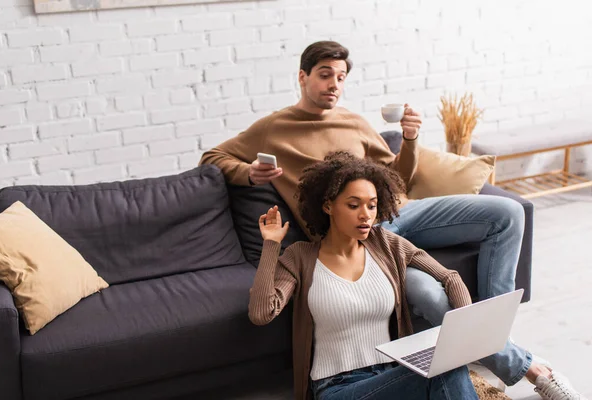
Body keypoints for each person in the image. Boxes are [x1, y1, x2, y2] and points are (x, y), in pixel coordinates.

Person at [201, 41, 585, 399]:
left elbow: (397, 177)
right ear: (302, 77)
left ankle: (496, 339)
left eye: (340, 77)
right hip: (361, 241)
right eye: (324, 74)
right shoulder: (273, 129)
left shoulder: (353, 122)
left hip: (392, 216)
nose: (334, 84)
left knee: (508, 212)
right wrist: (249, 174)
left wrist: (411, 139)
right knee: (428, 297)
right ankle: (524, 365)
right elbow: (213, 157)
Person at [250, 151, 478, 400]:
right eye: (353, 205)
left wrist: (463, 331)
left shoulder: (386, 244)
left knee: (448, 363)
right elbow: (261, 313)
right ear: (328, 206)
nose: (365, 215)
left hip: (392, 375)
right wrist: (271, 244)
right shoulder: (300, 257)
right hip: (339, 387)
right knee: (443, 372)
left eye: (372, 205)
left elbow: (450, 277)